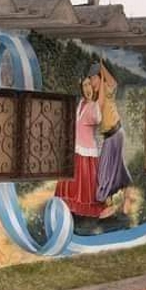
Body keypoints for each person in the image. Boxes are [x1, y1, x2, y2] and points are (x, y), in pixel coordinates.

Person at [55, 77, 104, 218]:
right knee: (70, 184)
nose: (87, 88)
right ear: (81, 88)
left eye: (89, 84)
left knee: (85, 185)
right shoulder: (81, 103)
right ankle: (69, 211)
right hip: (75, 149)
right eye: (84, 85)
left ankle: (85, 213)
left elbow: (97, 119)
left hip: (86, 152)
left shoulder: (94, 106)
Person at [89, 61, 132, 219]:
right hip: (111, 135)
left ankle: (115, 203)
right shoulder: (94, 96)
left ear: (100, 78)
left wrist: (102, 67)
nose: (92, 82)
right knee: (114, 168)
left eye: (94, 78)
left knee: (105, 171)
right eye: (90, 79)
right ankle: (121, 200)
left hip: (115, 133)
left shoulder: (106, 89)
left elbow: (113, 82)